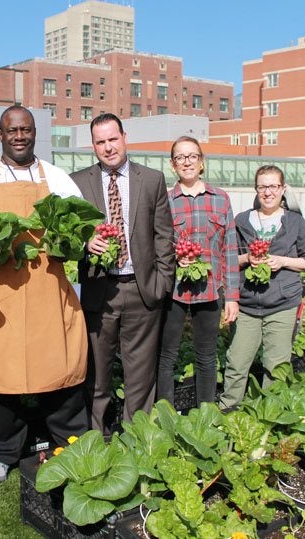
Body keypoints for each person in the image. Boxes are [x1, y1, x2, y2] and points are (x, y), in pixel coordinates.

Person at [0, 105, 89, 483]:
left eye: (26, 129)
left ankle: (70, 442)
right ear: (0, 134)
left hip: (49, 288)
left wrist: (69, 242)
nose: (19, 136)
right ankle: (3, 451)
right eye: (12, 130)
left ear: (34, 133)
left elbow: (80, 229)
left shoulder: (59, 180)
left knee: (60, 367)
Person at [71, 113, 176, 433]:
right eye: (100, 142)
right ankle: (96, 440)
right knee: (97, 375)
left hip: (142, 291)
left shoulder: (152, 179)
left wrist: (161, 283)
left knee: (140, 378)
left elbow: (164, 235)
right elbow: (67, 237)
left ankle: (137, 440)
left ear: (125, 137)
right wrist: (85, 243)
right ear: (93, 146)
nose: (108, 147)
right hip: (99, 290)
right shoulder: (77, 182)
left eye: (112, 139)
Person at [219, 165, 305, 409]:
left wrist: (283, 261)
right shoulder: (242, 220)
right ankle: (229, 411)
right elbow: (228, 256)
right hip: (248, 305)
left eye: (273, 186)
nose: (268, 192)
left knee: (276, 367)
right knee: (237, 363)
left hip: (282, 305)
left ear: (283, 189)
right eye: (263, 186)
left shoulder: (294, 221)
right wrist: (247, 259)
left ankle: (269, 415)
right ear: (256, 189)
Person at [156, 136, 239, 408]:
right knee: (166, 355)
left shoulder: (220, 199)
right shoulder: (164, 201)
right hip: (174, 291)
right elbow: (157, 245)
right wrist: (172, 259)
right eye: (180, 157)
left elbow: (229, 249)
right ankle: (164, 414)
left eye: (192, 156)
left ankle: (206, 412)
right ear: (172, 165)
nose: (186, 162)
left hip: (210, 290)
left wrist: (232, 296)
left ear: (201, 162)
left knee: (206, 356)